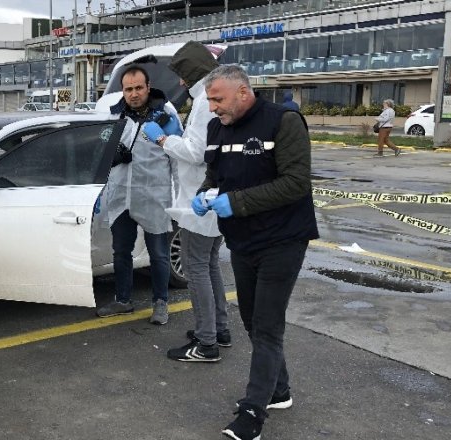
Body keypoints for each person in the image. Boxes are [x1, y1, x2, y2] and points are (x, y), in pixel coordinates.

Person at [193, 64, 319, 440]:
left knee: (266, 325)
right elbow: (215, 177)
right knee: (250, 318)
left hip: (282, 240)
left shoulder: (283, 122)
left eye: (218, 99)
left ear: (243, 93)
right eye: (210, 100)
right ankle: (279, 390)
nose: (212, 107)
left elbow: (296, 183)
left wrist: (238, 202)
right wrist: (205, 194)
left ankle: (252, 413)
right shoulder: (217, 129)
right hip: (242, 241)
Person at [156, 41, 231, 363]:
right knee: (210, 264)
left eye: (183, 76)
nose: (181, 83)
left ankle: (206, 342)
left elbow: (197, 153)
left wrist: (164, 139)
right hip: (211, 198)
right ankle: (220, 328)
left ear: (194, 72)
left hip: (197, 199)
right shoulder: (212, 98)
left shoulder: (203, 101)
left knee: (197, 269)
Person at [96, 64, 183, 325]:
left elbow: (178, 156)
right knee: (121, 251)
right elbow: (99, 150)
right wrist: (112, 155)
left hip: (154, 195)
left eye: (138, 88)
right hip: (121, 196)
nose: (133, 94)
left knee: (158, 253)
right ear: (122, 91)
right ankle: (123, 300)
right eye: (128, 89)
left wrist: (180, 196)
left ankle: (161, 302)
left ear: (148, 87)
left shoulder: (166, 116)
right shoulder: (114, 116)